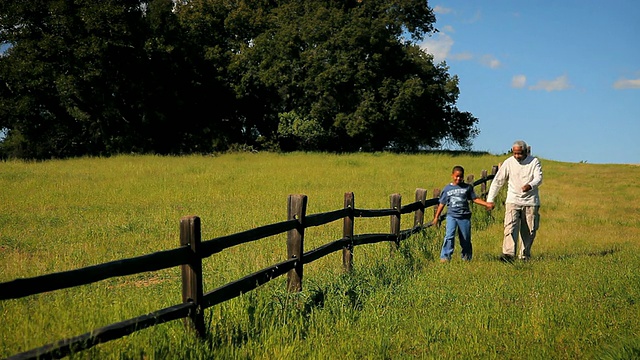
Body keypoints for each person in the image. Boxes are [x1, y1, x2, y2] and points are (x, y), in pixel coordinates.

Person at [486, 140, 543, 262]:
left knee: (529, 230)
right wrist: (490, 199)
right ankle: (508, 255)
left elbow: (539, 178)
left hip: (530, 202)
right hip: (513, 200)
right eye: (515, 153)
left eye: (520, 153)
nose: (517, 156)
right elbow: (498, 181)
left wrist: (530, 185)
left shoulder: (534, 162)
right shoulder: (509, 162)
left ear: (525, 151)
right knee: (510, 227)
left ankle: (524, 255)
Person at [432, 165, 493, 262]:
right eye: (456, 176)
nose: (458, 178)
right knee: (449, 236)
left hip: (464, 217)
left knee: (465, 238)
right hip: (452, 216)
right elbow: (442, 203)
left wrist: (486, 204)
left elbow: (474, 199)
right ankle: (445, 257)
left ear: (463, 176)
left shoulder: (467, 188)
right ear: (452, 175)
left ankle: (466, 258)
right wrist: (436, 217)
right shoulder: (447, 189)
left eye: (460, 176)